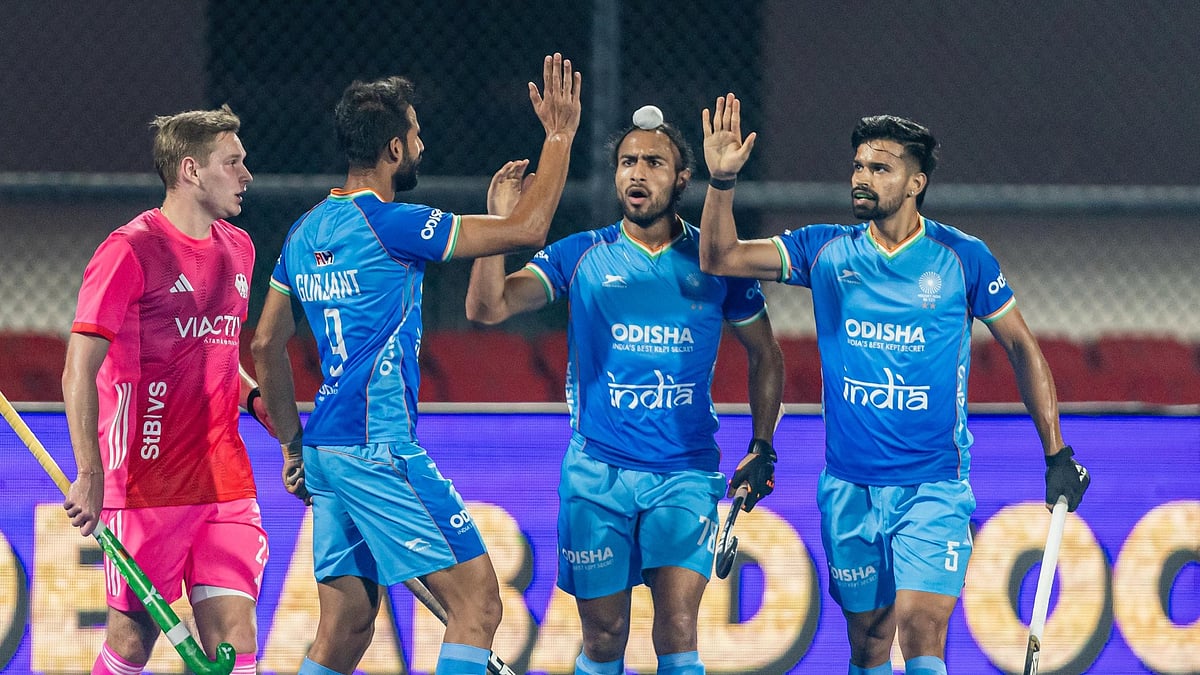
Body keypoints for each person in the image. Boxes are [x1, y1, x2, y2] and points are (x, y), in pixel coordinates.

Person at [697, 94, 1091, 675]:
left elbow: (1020, 347)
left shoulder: (963, 258)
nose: (862, 178)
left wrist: (1055, 450)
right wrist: (722, 181)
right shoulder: (824, 249)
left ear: (915, 182)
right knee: (869, 640)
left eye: (879, 168)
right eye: (858, 166)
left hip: (933, 485)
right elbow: (719, 255)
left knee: (921, 627)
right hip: (849, 486)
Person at [249, 53, 581, 675]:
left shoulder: (304, 232)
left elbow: (266, 344)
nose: (423, 144)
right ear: (395, 149)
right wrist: (559, 135)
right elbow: (530, 229)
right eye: (418, 134)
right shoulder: (394, 225)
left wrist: (295, 446)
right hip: (378, 448)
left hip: (327, 452)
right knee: (478, 604)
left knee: (344, 630)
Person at [464, 107, 785, 675]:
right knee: (606, 636)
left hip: (685, 472)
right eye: (627, 162)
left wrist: (763, 445)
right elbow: (487, 308)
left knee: (679, 631)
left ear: (683, 179)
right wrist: (498, 225)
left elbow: (767, 355)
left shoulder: (716, 262)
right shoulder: (581, 254)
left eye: (654, 163)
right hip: (597, 475)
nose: (638, 174)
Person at [62, 106, 273, 675]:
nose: (247, 175)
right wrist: (88, 473)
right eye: (233, 163)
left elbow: (217, 354)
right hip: (145, 483)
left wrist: (262, 406)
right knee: (132, 641)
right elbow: (79, 368)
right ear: (191, 171)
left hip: (225, 481)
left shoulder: (241, 251)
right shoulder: (129, 250)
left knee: (236, 641)